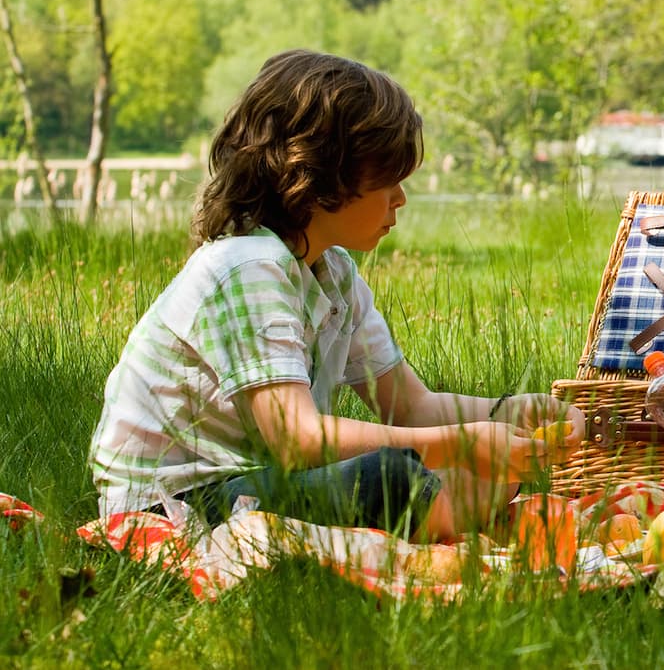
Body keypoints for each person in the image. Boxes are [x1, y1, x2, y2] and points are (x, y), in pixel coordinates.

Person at [89, 50, 585, 541]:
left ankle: (432, 521)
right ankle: (434, 525)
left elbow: (411, 406)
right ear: (321, 177)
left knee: (484, 472)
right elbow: (297, 440)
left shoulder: (334, 272)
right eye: (387, 178)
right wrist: (458, 445)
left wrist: (508, 413)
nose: (401, 198)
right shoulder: (246, 267)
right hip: (178, 502)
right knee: (391, 478)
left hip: (261, 483)